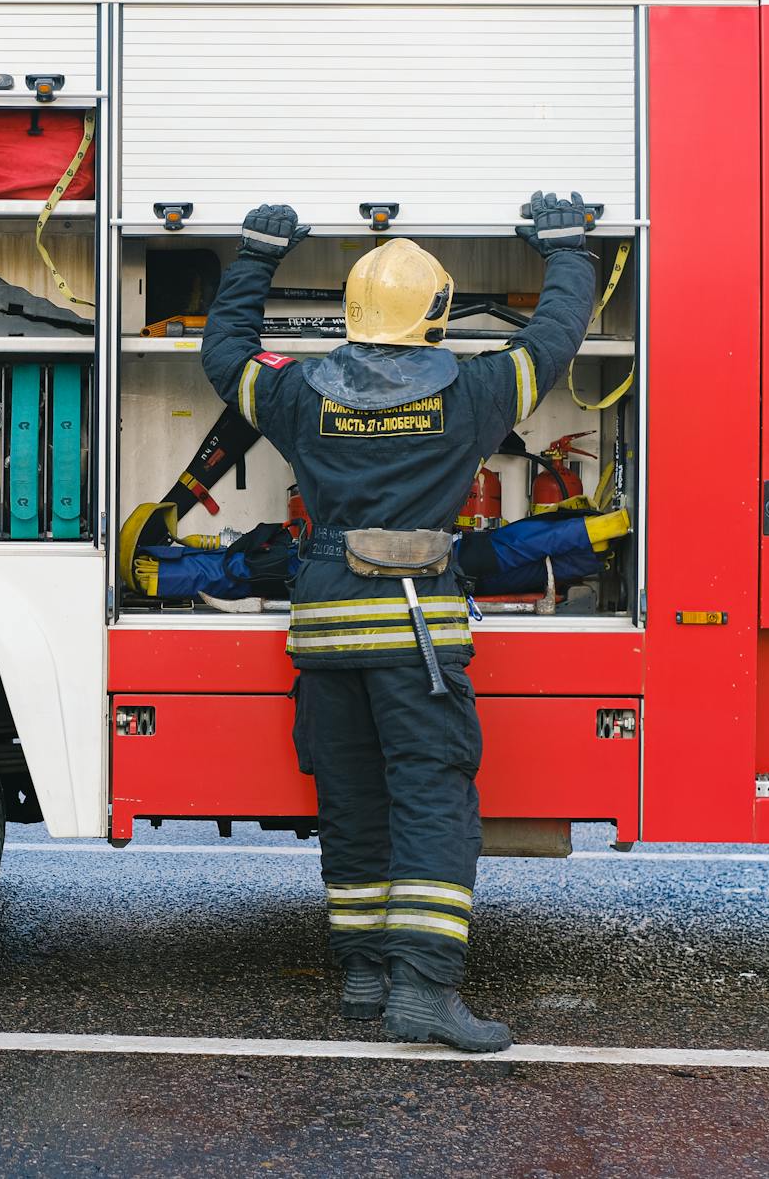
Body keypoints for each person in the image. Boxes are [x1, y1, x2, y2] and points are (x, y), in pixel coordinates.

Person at [200, 192, 599, 1052]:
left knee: (352, 807)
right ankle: (423, 991)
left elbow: (225, 352)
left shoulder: (299, 393)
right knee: (431, 804)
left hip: (324, 632)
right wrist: (567, 251)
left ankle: (365, 974)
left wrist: (256, 257)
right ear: (438, 315)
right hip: (415, 637)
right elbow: (555, 340)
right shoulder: (477, 392)